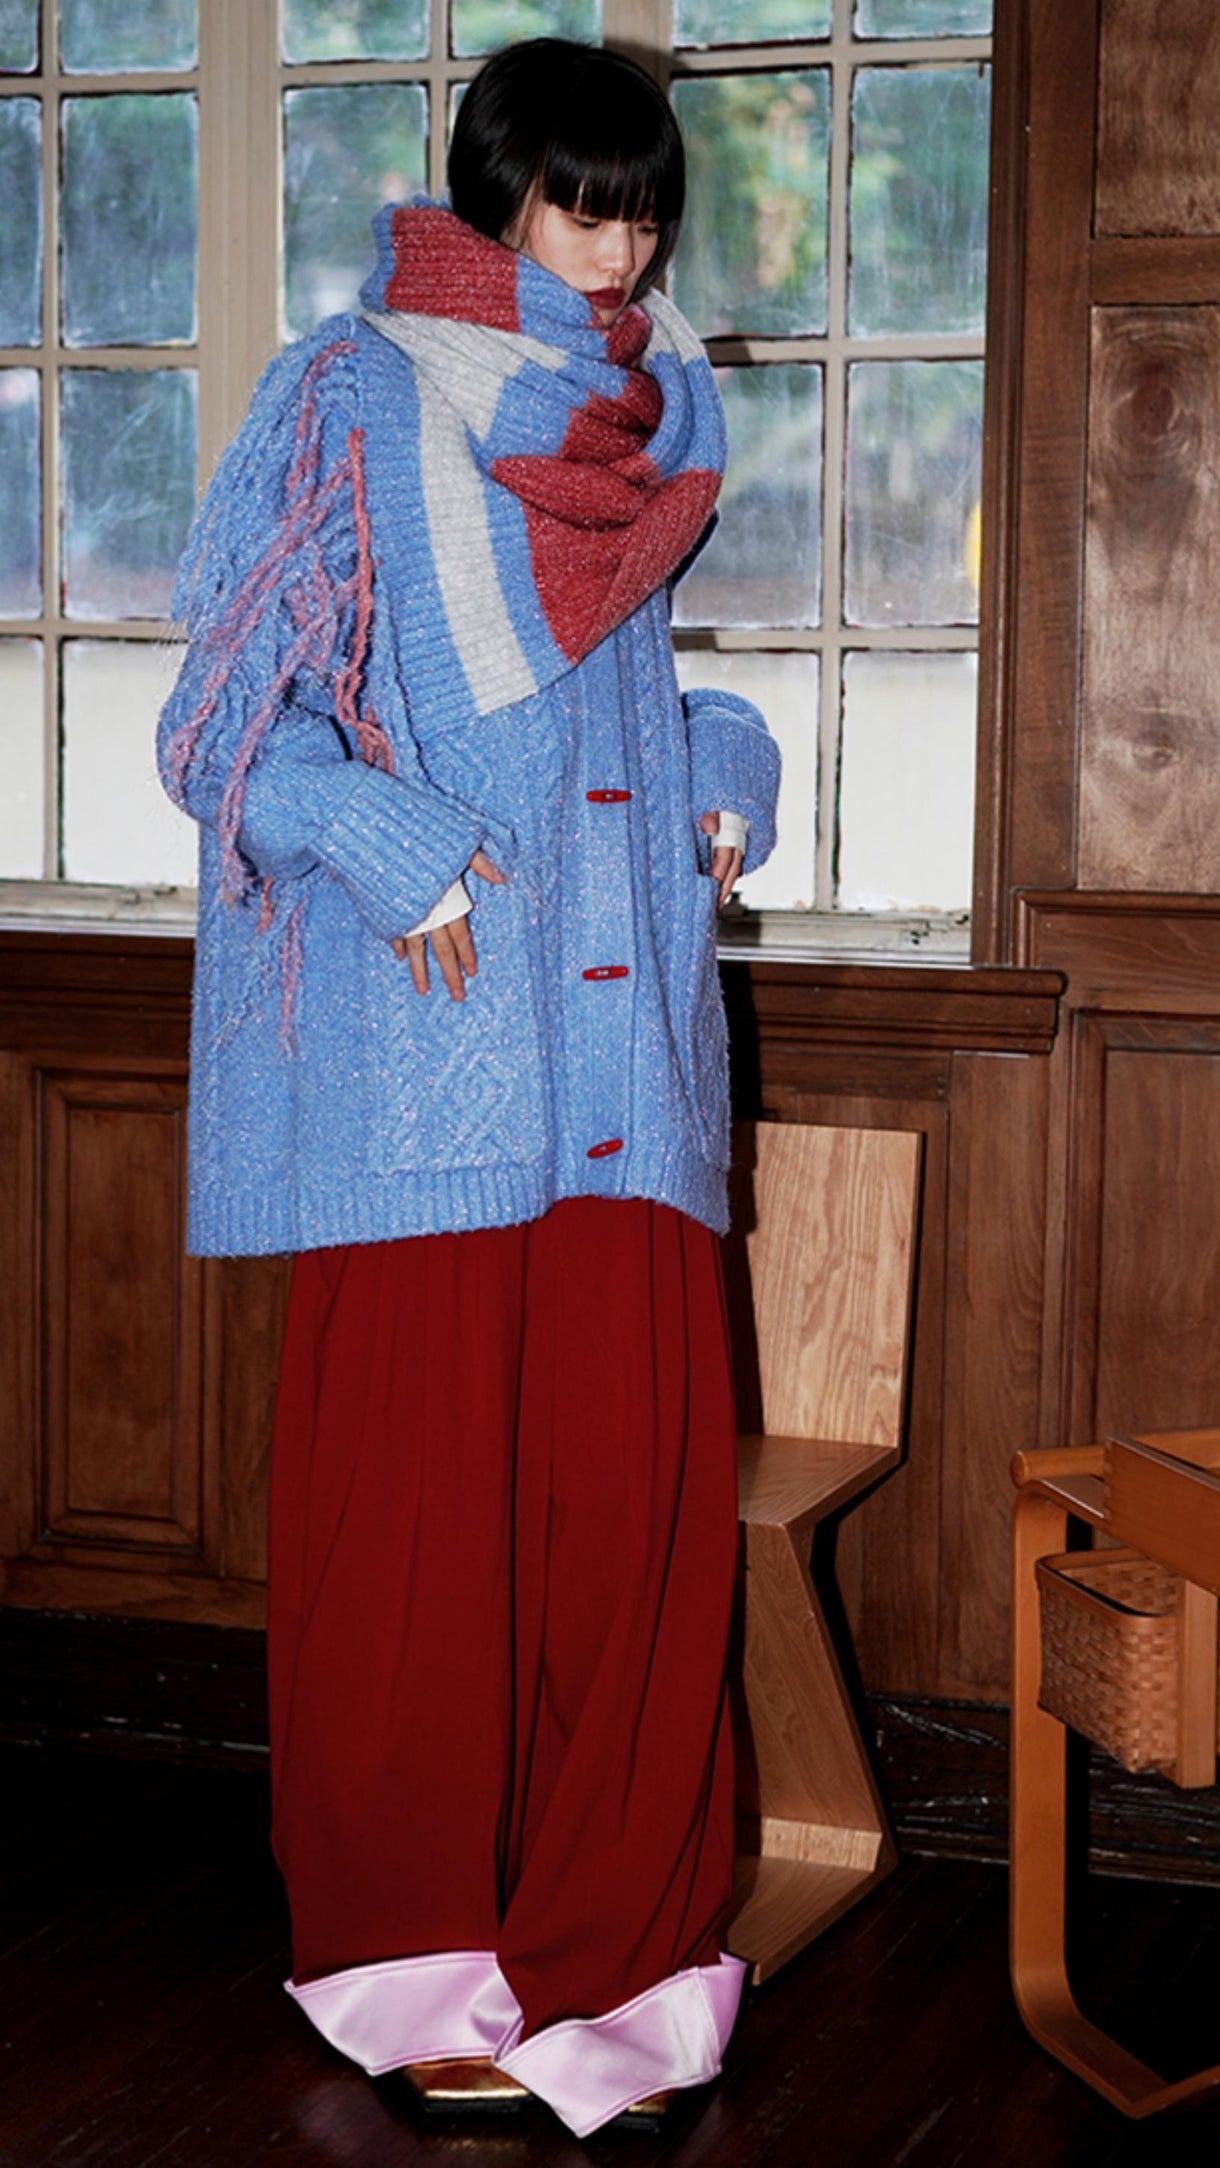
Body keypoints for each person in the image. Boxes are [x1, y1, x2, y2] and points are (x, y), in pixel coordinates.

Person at [156, 36, 780, 2140]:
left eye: (644, 211)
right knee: (414, 1540)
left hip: (625, 1051)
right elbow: (223, 720)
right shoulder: (351, 396)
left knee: (633, 1534)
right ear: (496, 191)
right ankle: (412, 1952)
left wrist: (722, 765)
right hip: (425, 1064)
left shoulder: (650, 417)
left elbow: (621, 700)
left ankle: (623, 1957)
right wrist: (383, 834)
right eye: (583, 203)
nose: (619, 248)